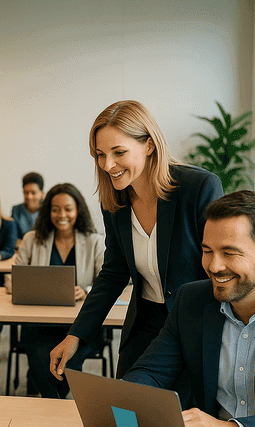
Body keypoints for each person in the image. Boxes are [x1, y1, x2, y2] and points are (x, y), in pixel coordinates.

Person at [123, 191, 255, 427]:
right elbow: (150, 372)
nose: (214, 266)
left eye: (229, 253)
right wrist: (128, 407)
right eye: (207, 251)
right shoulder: (191, 300)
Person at [50, 100, 223, 382]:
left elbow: (218, 265)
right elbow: (112, 274)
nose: (108, 165)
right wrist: (75, 334)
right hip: (146, 321)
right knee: (127, 412)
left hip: (196, 322)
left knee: (179, 417)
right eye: (100, 155)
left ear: (149, 145)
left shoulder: (198, 187)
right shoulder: (114, 202)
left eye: (119, 152)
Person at [6, 183, 104, 398]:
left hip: (80, 325)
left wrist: (87, 290)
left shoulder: (95, 241)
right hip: (40, 322)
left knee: (68, 363)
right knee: (41, 361)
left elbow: (110, 282)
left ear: (78, 210)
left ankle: (51, 403)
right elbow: (13, 279)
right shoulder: (33, 239)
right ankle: (54, 403)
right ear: (47, 211)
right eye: (55, 209)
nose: (62, 214)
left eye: (68, 208)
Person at [10, 172, 45, 240]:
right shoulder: (16, 210)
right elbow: (13, 236)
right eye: (26, 193)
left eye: (33, 193)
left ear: (42, 194)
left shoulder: (48, 210)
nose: (29, 197)